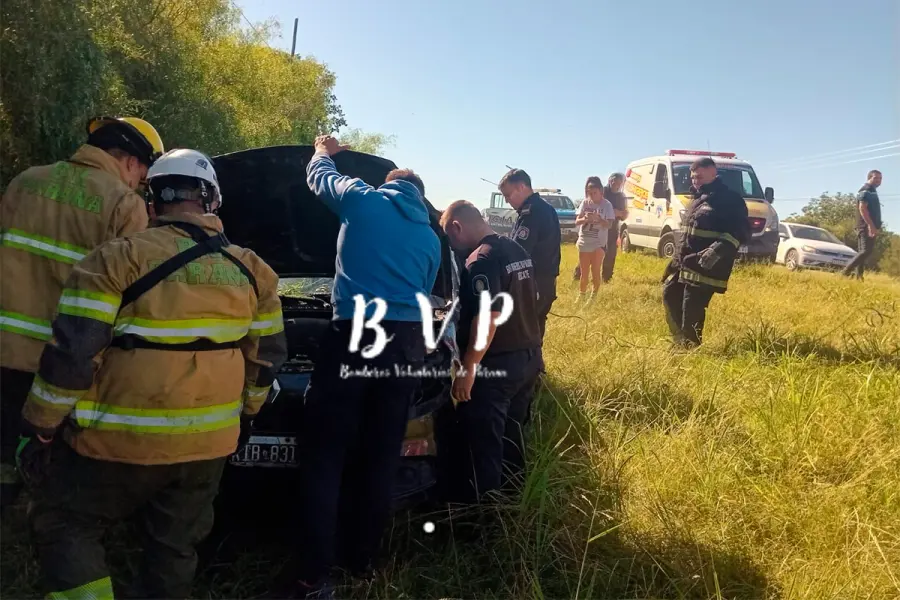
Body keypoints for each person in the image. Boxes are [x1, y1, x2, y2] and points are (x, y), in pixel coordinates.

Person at [18, 148, 287, 599]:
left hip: (114, 441)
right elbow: (267, 358)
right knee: (175, 546)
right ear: (213, 201)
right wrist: (247, 414)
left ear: (151, 202)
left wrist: (42, 424)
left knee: (66, 523)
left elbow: (73, 355)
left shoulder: (113, 261)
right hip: (209, 444)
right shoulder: (254, 271)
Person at [292, 135, 441, 596]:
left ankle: (314, 573)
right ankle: (362, 561)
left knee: (325, 454)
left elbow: (319, 178)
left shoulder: (365, 200)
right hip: (404, 346)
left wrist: (322, 150)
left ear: (390, 185)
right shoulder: (429, 236)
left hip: (355, 336)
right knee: (380, 456)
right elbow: (427, 292)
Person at [0, 115, 164, 507]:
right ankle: (39, 522)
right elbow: (129, 293)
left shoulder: (26, 181)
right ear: (129, 161)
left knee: (3, 442)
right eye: (142, 176)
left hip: (5, 348)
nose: (139, 184)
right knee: (52, 456)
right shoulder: (125, 205)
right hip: (63, 358)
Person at [436, 200, 542, 503]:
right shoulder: (515, 250)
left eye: (450, 238)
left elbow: (488, 318)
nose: (453, 247)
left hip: (496, 368)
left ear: (457, 227)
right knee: (512, 439)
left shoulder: (480, 260)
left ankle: (484, 520)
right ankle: (512, 505)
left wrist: (468, 370)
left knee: (483, 446)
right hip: (527, 357)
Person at [662, 157, 749, 348]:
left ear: (713, 173)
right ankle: (679, 342)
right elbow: (687, 235)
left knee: (691, 304)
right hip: (687, 262)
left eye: (699, 176)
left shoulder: (730, 200)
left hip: (708, 265)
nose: (695, 180)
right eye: (693, 177)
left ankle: (690, 346)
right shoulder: (697, 200)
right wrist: (674, 262)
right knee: (670, 293)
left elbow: (740, 232)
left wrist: (714, 252)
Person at [502, 169, 561, 342]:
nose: (507, 201)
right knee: (536, 324)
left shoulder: (531, 213)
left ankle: (529, 365)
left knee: (524, 328)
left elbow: (519, 250)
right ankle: (536, 365)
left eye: (508, 195)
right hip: (546, 280)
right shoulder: (545, 208)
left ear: (521, 187)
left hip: (533, 281)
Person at [573, 172, 628, 283]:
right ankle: (578, 275)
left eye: (619, 183)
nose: (616, 185)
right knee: (588, 253)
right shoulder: (602, 191)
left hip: (611, 229)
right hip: (595, 230)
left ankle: (606, 278)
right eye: (614, 182)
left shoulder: (622, 197)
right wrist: (612, 212)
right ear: (610, 181)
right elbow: (595, 205)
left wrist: (621, 214)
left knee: (610, 254)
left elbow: (624, 214)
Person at [574, 177, 615, 301]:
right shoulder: (585, 203)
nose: (591, 196)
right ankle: (581, 296)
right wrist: (586, 219)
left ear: (601, 191)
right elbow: (577, 221)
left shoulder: (607, 205)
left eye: (594, 193)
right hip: (584, 241)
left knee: (595, 270)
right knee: (584, 271)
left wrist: (599, 219)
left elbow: (610, 225)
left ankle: (593, 297)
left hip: (598, 243)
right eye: (589, 193)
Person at [842, 169, 883, 280]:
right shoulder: (866, 190)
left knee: (862, 252)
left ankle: (859, 277)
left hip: (868, 225)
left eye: (880, 178)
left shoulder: (872, 190)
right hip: (865, 226)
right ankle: (845, 272)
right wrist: (871, 225)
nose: (878, 180)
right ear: (869, 177)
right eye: (876, 178)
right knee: (866, 251)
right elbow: (862, 208)